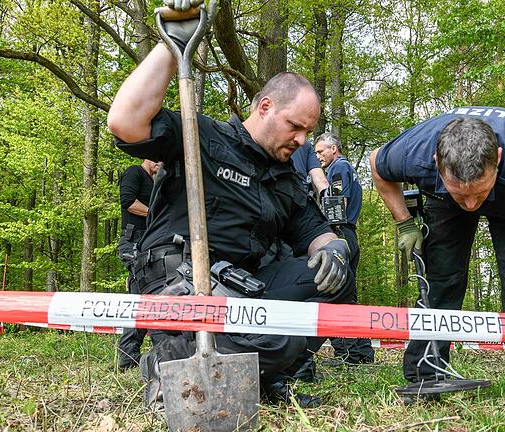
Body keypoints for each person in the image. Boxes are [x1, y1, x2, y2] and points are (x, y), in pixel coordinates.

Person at [107, 30, 355, 409]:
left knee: (335, 277)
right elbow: (125, 121)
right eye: (295, 126)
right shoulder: (201, 135)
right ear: (266, 107)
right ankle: (167, 361)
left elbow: (316, 234)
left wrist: (335, 250)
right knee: (279, 338)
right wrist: (171, 45)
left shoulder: (285, 178)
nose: (304, 141)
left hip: (244, 287)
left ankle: (266, 377)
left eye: (309, 131)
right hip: (177, 281)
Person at [369, 107, 505, 414]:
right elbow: (376, 164)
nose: (470, 205)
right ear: (436, 163)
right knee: (441, 278)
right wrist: (404, 222)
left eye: (478, 194)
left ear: (499, 159)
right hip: (442, 197)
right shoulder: (415, 151)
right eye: (461, 193)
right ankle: (427, 376)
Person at [314, 133, 374, 365]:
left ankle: (348, 353)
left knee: (335, 292)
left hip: (340, 233)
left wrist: (328, 233)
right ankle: (362, 353)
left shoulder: (338, 168)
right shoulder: (348, 168)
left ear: (334, 149)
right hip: (349, 233)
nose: (318, 156)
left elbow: (338, 205)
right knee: (349, 295)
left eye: (321, 151)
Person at [116, 159, 160, 370]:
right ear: (148, 158)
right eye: (158, 161)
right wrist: (155, 214)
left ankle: (144, 354)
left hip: (147, 243)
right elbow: (128, 201)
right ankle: (127, 357)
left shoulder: (153, 182)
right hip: (133, 242)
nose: (161, 165)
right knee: (138, 297)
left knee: (150, 296)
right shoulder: (134, 172)